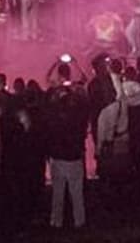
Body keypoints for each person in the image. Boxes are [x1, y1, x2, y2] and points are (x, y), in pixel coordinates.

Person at [44, 62, 89, 229]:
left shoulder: (55, 115)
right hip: (74, 156)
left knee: (58, 192)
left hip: (58, 157)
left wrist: (55, 63)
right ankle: (79, 221)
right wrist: (75, 63)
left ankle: (56, 222)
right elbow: (85, 78)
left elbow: (47, 78)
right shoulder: (76, 94)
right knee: (77, 192)